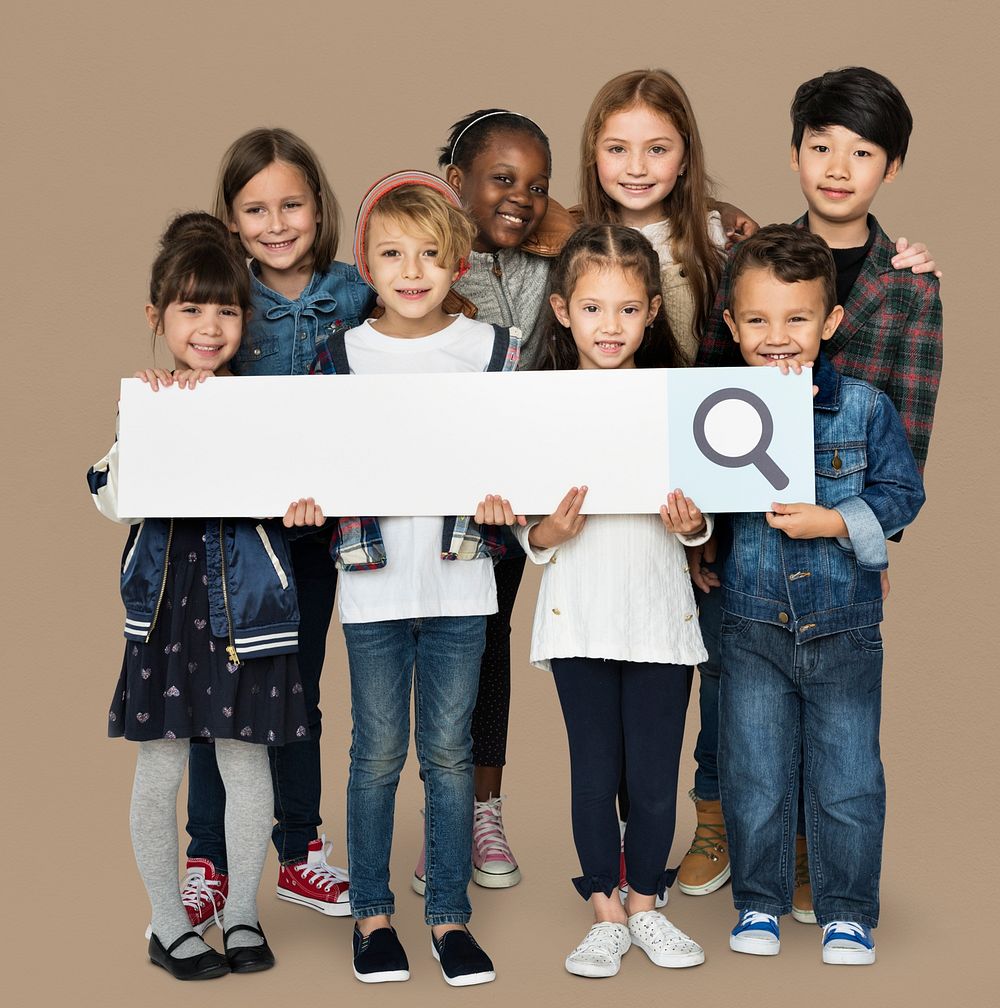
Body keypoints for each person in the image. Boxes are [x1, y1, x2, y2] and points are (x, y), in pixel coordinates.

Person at [695, 68, 943, 918]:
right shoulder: (753, 256)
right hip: (744, 526)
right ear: (795, 154)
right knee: (734, 684)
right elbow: (709, 392)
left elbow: (908, 428)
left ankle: (813, 859)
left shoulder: (907, 282)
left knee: (832, 719)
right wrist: (705, 538)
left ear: (892, 167)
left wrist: (865, 539)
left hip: (838, 527)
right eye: (820, 147)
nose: (838, 167)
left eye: (863, 152)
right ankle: (723, 826)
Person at [87, 213, 325, 979]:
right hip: (165, 608)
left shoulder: (264, 404)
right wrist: (145, 425)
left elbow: (294, 490)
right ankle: (166, 924)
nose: (211, 326)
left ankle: (243, 914)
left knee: (245, 763)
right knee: (159, 769)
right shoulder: (146, 403)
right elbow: (108, 495)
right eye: (192, 309)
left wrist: (300, 508)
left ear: (243, 319)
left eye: (226, 309)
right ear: (158, 317)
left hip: (246, 611)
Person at [311, 171, 520, 987]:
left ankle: (449, 916)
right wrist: (312, 501)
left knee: (447, 752)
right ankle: (371, 912)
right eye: (392, 253)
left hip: (462, 586)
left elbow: (518, 454)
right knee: (377, 754)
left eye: (430, 254)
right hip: (373, 588)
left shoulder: (491, 351)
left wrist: (509, 500)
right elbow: (317, 460)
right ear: (365, 262)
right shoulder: (342, 356)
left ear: (458, 261)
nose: (411, 270)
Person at [182, 128, 374, 932]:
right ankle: (208, 859)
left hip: (317, 540)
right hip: (234, 543)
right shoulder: (225, 298)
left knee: (299, 691)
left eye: (291, 203)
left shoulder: (358, 290)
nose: (276, 222)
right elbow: (194, 359)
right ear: (232, 221)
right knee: (214, 696)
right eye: (255, 208)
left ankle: (299, 851)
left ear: (319, 207)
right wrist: (174, 383)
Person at [717, 225, 924, 966]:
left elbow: (904, 493)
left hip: (843, 628)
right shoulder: (716, 409)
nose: (778, 337)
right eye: (760, 320)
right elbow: (703, 516)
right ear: (733, 324)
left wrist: (835, 521)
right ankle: (760, 903)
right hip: (750, 629)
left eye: (798, 319)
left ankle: (845, 912)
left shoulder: (863, 408)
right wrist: (689, 531)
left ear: (831, 323)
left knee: (847, 779)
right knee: (754, 777)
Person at [518, 223, 709, 977]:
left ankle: (645, 904)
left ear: (654, 311)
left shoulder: (678, 398)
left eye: (628, 309)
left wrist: (694, 529)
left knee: (655, 777)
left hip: (660, 619)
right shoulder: (543, 404)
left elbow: (707, 512)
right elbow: (531, 534)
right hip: (581, 617)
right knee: (594, 773)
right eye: (593, 308)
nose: (611, 326)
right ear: (562, 310)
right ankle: (603, 906)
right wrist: (547, 531)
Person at [403, 108, 574, 894]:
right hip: (429, 493)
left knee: (490, 641)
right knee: (433, 650)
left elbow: (630, 250)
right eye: (502, 180)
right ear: (455, 184)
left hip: (511, 497)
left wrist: (562, 225)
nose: (521, 198)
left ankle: (483, 809)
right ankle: (438, 814)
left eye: (537, 186)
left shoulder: (548, 258)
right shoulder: (425, 260)